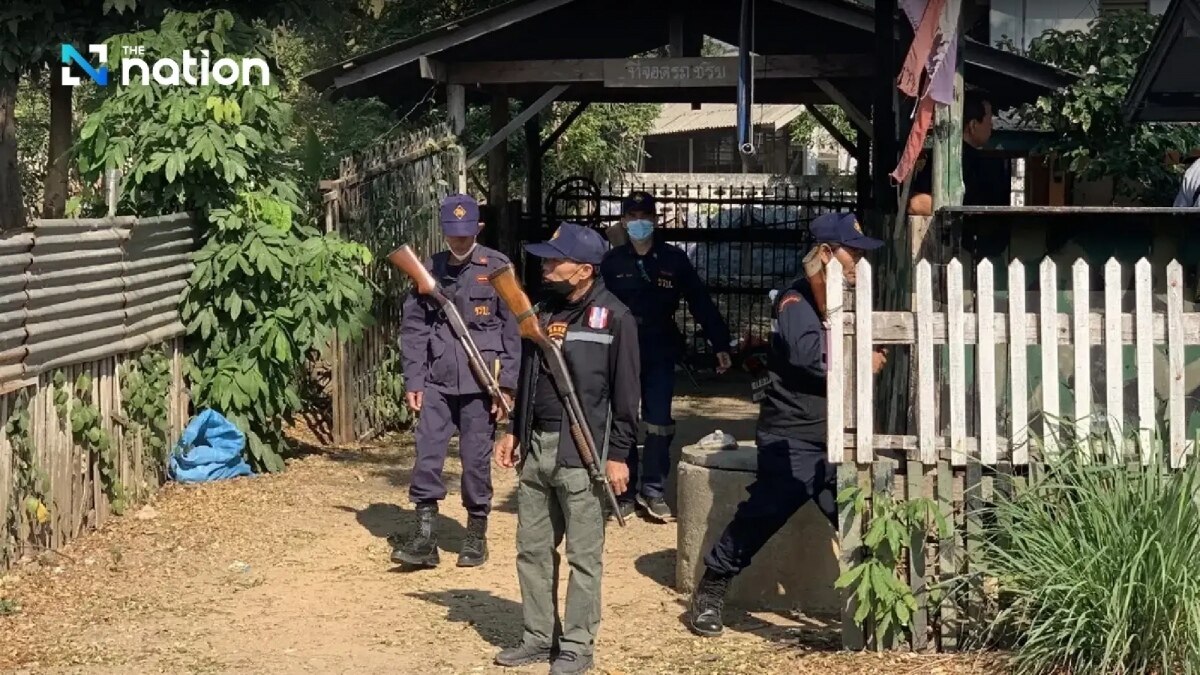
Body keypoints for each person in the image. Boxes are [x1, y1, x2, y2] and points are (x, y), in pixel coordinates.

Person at [686, 211, 887, 638]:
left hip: (837, 433)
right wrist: (859, 363)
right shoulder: (796, 302)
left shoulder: (841, 298)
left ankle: (876, 610)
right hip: (792, 436)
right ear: (828, 254)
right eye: (853, 253)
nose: (858, 263)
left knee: (857, 521)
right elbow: (808, 358)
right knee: (762, 516)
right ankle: (711, 590)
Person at [493, 222, 640, 675]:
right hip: (536, 447)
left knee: (584, 556)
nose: (547, 264)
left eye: (557, 259)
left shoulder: (616, 318)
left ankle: (577, 646)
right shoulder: (538, 311)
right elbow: (527, 376)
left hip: (584, 452)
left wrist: (618, 455)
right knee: (532, 549)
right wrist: (512, 429)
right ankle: (539, 637)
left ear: (585, 270)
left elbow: (627, 395)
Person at [395, 193, 519, 569]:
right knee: (428, 456)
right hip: (437, 380)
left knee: (475, 461)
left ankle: (475, 534)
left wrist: (508, 386)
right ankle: (425, 537)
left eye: (466, 234)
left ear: (478, 229)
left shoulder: (497, 267)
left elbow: (513, 329)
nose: (459, 242)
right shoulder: (428, 270)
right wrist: (413, 378)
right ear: (444, 231)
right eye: (453, 235)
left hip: (482, 384)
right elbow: (414, 328)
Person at [600, 191, 733, 523]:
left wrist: (720, 343)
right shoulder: (612, 262)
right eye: (632, 217)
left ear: (655, 220)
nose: (638, 222)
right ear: (623, 221)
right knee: (623, 417)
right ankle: (624, 492)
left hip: (659, 347)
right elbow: (595, 306)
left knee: (659, 422)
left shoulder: (674, 260)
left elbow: (699, 301)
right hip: (620, 348)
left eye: (644, 216)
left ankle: (653, 491)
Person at [907, 92, 1011, 215]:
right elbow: (916, 203)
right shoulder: (944, 157)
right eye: (989, 120)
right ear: (973, 125)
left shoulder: (983, 160)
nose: (992, 126)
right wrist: (955, 212)